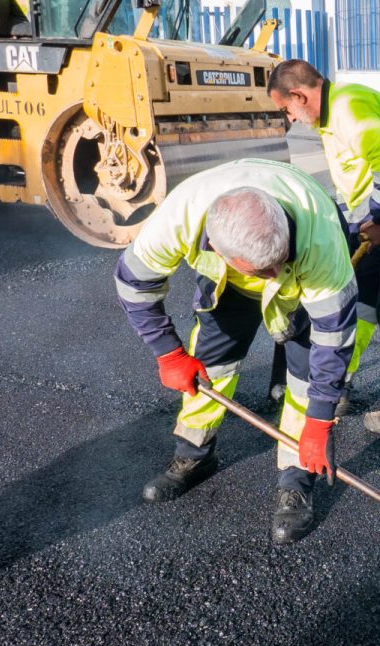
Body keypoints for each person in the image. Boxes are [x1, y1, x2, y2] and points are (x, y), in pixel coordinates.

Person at [114, 158, 358, 545]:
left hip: (301, 291)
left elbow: (335, 337)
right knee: (212, 366)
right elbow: (133, 285)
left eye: (278, 263)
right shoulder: (181, 216)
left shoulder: (321, 240)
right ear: (215, 247)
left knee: (305, 379)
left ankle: (296, 478)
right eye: (263, 271)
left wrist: (321, 418)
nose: (272, 276)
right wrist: (167, 353)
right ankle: (194, 453)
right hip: (226, 286)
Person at [267, 59, 380, 435]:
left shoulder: (348, 109)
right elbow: (356, 180)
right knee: (360, 303)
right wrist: (354, 228)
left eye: (286, 109)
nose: (290, 118)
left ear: (300, 95)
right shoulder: (334, 117)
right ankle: (336, 386)